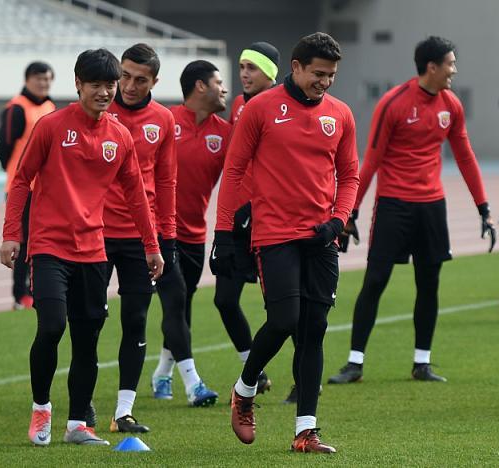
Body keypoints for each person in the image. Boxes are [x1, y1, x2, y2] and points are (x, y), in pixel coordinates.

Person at [0, 48, 163, 446]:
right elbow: (21, 180)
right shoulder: (52, 126)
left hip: (93, 249)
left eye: (110, 85)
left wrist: (151, 245)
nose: (105, 92)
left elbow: (136, 196)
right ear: (78, 84)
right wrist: (11, 234)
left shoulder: (119, 136)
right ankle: (42, 409)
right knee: (52, 325)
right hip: (49, 247)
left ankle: (77, 425)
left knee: (87, 338)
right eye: (96, 85)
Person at [213, 32, 359, 453]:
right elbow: (234, 170)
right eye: (318, 74)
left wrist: (338, 220)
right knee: (284, 320)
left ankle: (306, 431)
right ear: (296, 67)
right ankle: (244, 390)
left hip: (321, 238)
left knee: (314, 330)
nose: (324, 82)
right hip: (275, 234)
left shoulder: (341, 114)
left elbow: (350, 173)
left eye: (331, 76)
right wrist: (223, 234)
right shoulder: (260, 109)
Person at [328, 36, 494, 386]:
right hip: (393, 205)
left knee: (429, 283)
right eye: (450, 64)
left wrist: (483, 206)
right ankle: (355, 363)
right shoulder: (393, 103)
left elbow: (465, 156)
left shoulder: (451, 105)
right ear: (432, 67)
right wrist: (350, 213)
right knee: (375, 280)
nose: (454, 70)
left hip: (432, 206)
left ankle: (422, 362)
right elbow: (371, 161)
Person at [142, 59, 224, 409]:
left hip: (195, 235)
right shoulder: (166, 121)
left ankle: (162, 372)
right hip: (160, 232)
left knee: (182, 304)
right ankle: (193, 383)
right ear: (200, 86)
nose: (225, 89)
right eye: (219, 82)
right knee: (175, 300)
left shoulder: (225, 133)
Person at [217, 42, 280, 397]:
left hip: (268, 220)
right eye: (241, 67)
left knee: (283, 309)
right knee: (224, 300)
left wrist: (257, 205)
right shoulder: (240, 105)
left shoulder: (280, 107)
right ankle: (255, 371)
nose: (244, 74)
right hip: (238, 223)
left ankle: (305, 381)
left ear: (270, 73)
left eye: (252, 68)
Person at [0, 61, 55, 310]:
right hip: (21, 187)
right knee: (20, 241)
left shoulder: (50, 107)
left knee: (40, 241)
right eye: (39, 78)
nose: (43, 83)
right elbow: (4, 147)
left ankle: (35, 290)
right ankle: (19, 295)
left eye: (47, 79)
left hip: (46, 188)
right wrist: (16, 172)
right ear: (27, 79)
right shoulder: (17, 108)